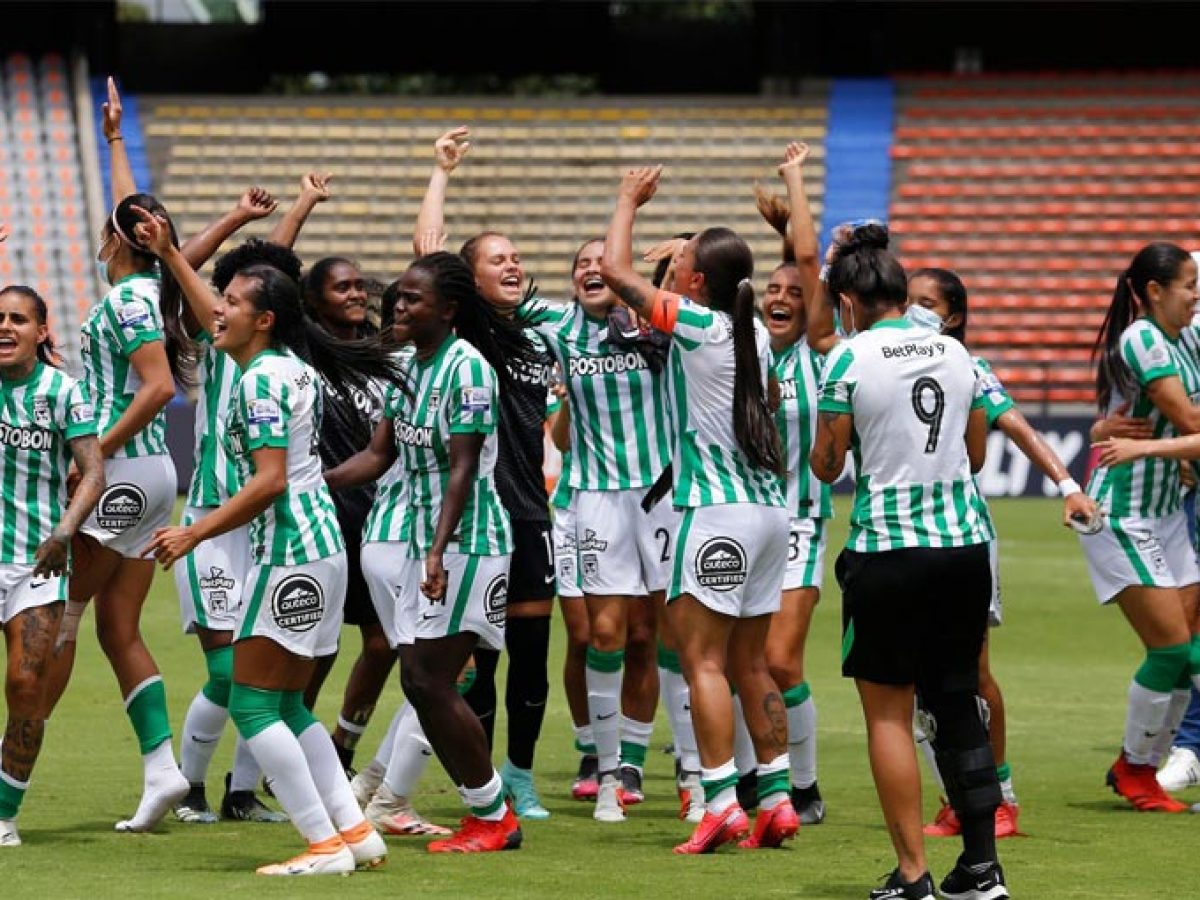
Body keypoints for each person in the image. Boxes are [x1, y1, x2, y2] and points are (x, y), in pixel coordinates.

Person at [140, 232, 395, 873]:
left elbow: (269, 480)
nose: (217, 311)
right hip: (317, 544)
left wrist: (191, 533)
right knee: (283, 704)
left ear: (266, 319)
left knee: (252, 703)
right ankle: (356, 833)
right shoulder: (291, 368)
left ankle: (321, 843)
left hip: (288, 550)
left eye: (230, 301)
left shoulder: (260, 384)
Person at [414, 127, 634, 819]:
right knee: (478, 655)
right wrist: (441, 172)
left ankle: (521, 774)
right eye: (497, 258)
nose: (513, 265)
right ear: (470, 279)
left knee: (534, 654)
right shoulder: (469, 327)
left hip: (530, 511)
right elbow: (427, 252)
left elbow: (608, 296)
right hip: (477, 512)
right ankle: (475, 774)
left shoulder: (548, 325)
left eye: (516, 257)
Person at [802, 202, 1006, 894]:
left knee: (888, 713)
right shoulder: (956, 352)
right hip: (964, 548)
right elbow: (976, 456)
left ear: (850, 303)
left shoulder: (848, 358)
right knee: (956, 701)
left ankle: (913, 875)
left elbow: (826, 466)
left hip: (890, 550)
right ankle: (981, 867)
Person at [600, 164, 796, 855]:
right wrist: (680, 260)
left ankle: (719, 800)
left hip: (715, 513)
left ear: (697, 283)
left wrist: (627, 200)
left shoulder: (698, 327)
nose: (671, 265)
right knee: (752, 664)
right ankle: (774, 795)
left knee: (701, 662)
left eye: (681, 261)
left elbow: (615, 272)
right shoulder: (759, 337)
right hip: (772, 516)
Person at [326, 250, 536, 852]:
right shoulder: (406, 364)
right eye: (397, 297)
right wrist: (317, 478)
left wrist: (438, 553)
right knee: (423, 681)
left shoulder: (467, 369)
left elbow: (463, 468)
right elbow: (380, 453)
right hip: (415, 538)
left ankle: (491, 813)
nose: (398, 305)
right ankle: (461, 807)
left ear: (447, 309)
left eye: (412, 299)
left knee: (432, 681)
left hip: (467, 542)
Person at [904, 266, 1100, 840]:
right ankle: (959, 797)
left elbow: (1014, 428)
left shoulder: (968, 366)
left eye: (927, 303)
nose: (915, 311)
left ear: (954, 316)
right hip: (900, 535)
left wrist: (1067, 486)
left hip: (959, 533)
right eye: (909, 300)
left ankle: (999, 799)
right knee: (920, 678)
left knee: (970, 672)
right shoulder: (883, 359)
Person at [518, 237, 678, 822]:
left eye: (600, 263)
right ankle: (605, 772)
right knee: (601, 636)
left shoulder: (657, 325)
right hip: (593, 499)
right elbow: (483, 291)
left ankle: (669, 768)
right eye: (580, 263)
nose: (591, 269)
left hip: (661, 494)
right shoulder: (558, 328)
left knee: (657, 639)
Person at [171, 230, 300, 827]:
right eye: (220, 296)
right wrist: (171, 250)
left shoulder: (277, 359)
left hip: (265, 532)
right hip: (209, 521)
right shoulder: (219, 338)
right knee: (227, 670)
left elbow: (270, 279)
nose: (221, 307)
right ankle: (187, 788)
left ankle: (242, 793)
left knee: (265, 677)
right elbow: (233, 292)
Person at [1078, 242, 1200, 815]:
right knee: (1173, 646)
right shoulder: (1144, 338)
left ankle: (1148, 765)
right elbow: (1191, 419)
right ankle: (1135, 767)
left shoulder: (1189, 338)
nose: (1197, 295)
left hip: (1168, 510)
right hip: (1122, 514)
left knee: (1188, 650)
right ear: (1155, 291)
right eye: (1189, 285)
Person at [0, 278, 105, 847]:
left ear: (41, 332)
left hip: (33, 561)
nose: (5, 326)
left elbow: (93, 471)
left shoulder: (62, 392)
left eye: (19, 319)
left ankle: (2, 813)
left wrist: (66, 531)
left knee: (25, 684)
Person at [753, 143, 831, 826]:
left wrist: (794, 180)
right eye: (771, 291)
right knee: (742, 658)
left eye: (794, 295)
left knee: (780, 657)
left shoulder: (819, 349)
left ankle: (803, 784)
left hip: (802, 520)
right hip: (743, 519)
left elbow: (808, 262)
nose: (781, 298)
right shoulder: (742, 344)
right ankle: (763, 777)